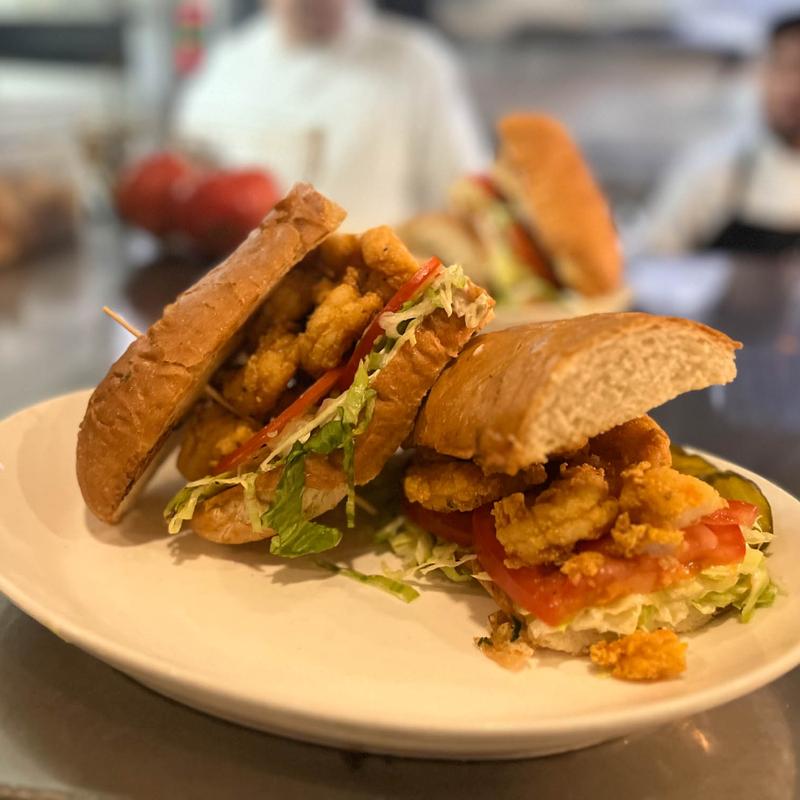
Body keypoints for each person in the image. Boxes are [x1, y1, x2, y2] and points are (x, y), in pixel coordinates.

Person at [173, 0, 489, 231]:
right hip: (251, 291)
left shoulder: (418, 63)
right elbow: (186, 191)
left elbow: (470, 203)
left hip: (382, 289)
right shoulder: (224, 69)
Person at [627, 12, 800, 257]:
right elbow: (652, 257)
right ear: (763, 75)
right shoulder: (714, 168)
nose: (794, 86)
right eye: (784, 68)